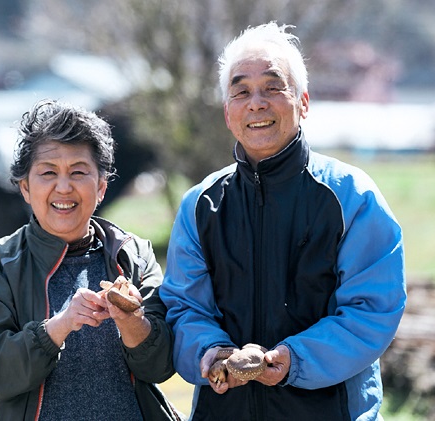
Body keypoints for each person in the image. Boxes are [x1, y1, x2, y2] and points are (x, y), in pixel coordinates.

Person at [159, 22, 406, 420]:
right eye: (241, 92)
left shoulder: (351, 197)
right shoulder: (200, 205)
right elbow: (184, 308)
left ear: (303, 103)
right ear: (227, 113)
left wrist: (294, 360)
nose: (256, 103)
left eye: (273, 88)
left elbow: (371, 309)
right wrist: (213, 353)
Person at [0, 99, 180, 421]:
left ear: (102, 187)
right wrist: (59, 326)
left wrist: (133, 321)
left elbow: (161, 366)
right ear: (25, 188)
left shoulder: (133, 255)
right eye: (48, 173)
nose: (63, 188)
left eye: (78, 172)